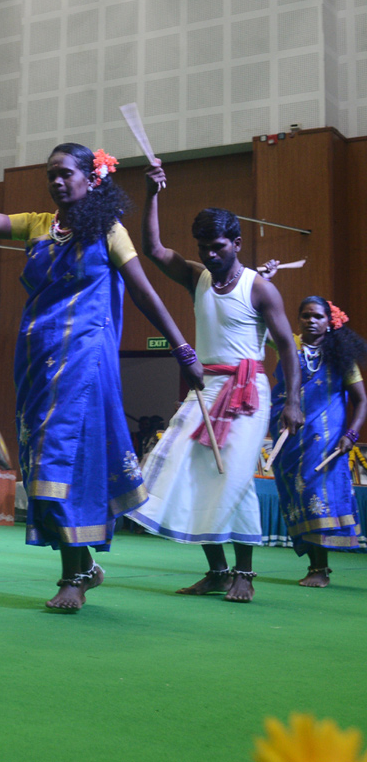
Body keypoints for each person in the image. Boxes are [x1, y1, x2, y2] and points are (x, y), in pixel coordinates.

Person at [0, 128, 204, 611]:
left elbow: (145, 293)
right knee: (41, 468)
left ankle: (73, 574)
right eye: (51, 176)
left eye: (64, 173)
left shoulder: (109, 230)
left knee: (63, 464)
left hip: (86, 363)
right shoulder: (38, 224)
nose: (56, 182)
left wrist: (182, 350)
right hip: (36, 362)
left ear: (91, 178)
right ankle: (84, 566)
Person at [128, 165, 302, 602]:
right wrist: (152, 193)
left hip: (248, 393)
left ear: (238, 243)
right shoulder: (197, 277)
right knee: (188, 471)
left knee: (236, 478)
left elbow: (287, 347)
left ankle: (245, 573)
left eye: (218, 247)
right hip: (204, 389)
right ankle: (218, 572)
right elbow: (152, 248)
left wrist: (292, 400)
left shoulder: (260, 289)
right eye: (204, 248)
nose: (209, 255)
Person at [268, 297, 366, 587]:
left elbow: (361, 400)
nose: (311, 321)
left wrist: (351, 435)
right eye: (306, 316)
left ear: (329, 321)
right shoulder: (288, 345)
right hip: (289, 436)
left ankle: (319, 568)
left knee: (316, 494)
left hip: (325, 440)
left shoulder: (341, 355)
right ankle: (315, 565)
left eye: (318, 316)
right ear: (297, 320)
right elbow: (261, 322)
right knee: (298, 495)